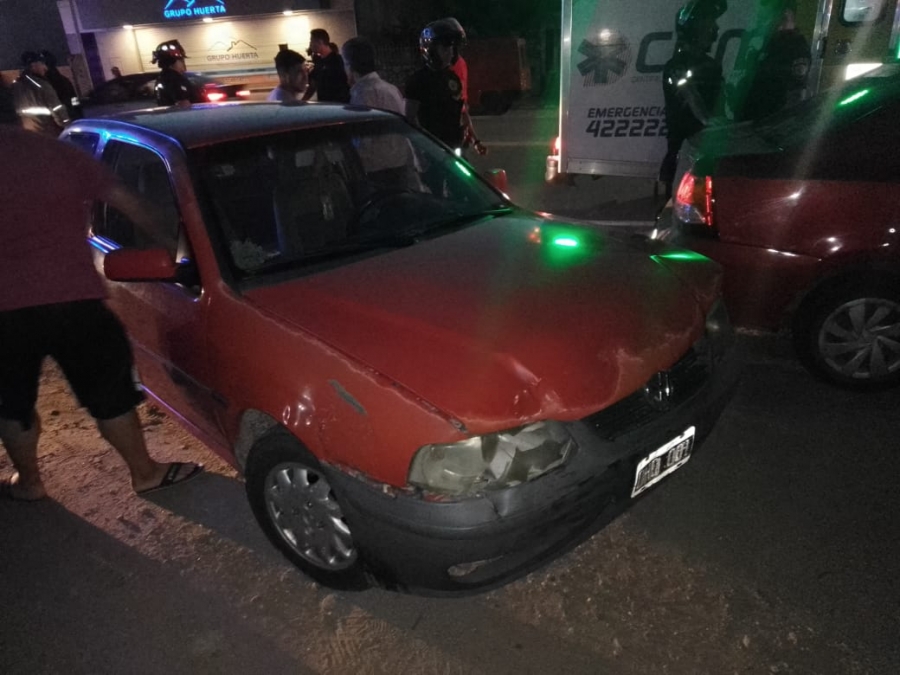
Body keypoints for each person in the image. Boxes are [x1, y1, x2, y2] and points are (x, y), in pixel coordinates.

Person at [0, 125, 204, 501]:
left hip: (5, 314)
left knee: (13, 405)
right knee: (110, 396)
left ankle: (29, 482)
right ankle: (145, 473)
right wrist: (177, 251)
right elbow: (128, 202)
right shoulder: (54, 153)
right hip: (76, 303)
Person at [659, 0, 728, 198]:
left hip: (709, 150)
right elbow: (688, 92)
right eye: (709, 22)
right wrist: (707, 119)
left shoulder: (711, 66)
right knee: (680, 207)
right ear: (695, 29)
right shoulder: (677, 65)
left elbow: (719, 102)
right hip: (686, 153)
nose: (714, 28)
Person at [734, 0, 811, 121]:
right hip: (754, 119)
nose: (762, 22)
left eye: (766, 17)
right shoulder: (769, 43)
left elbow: (794, 93)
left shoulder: (795, 47)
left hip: (770, 121)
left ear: (784, 16)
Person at [404, 19, 473, 152]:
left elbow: (460, 108)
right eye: (445, 48)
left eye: (452, 48)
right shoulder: (418, 81)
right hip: (431, 150)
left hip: (454, 148)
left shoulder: (453, 78)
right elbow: (410, 118)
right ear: (431, 50)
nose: (450, 53)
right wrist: (424, 145)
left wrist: (466, 129)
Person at [443, 17, 487, 156]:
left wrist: (475, 140)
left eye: (455, 46)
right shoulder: (428, 78)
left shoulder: (460, 65)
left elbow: (462, 107)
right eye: (448, 46)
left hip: (457, 138)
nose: (452, 52)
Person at [11, 51, 69, 136]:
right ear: (33, 65)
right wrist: (67, 125)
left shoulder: (16, 85)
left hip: (27, 134)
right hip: (46, 131)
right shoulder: (41, 85)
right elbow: (57, 109)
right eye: (42, 64)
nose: (45, 68)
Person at [302, 29, 350, 103]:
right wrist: (303, 101)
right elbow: (313, 85)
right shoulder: (319, 62)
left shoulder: (337, 61)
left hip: (338, 104)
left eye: (311, 41)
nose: (310, 45)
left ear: (320, 42)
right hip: (325, 104)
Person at [152, 39, 202, 107]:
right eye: (181, 60)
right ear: (171, 62)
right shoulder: (175, 79)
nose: (183, 64)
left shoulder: (162, 78)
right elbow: (184, 104)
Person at [38, 49, 83, 120]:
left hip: (59, 118)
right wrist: (78, 114)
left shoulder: (43, 83)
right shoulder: (64, 80)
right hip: (69, 115)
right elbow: (74, 100)